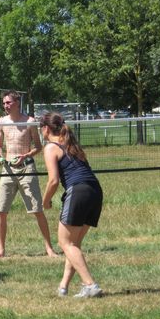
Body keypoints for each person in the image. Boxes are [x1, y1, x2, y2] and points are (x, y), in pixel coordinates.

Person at [40, 112, 103, 298]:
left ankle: (90, 284)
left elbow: (53, 181)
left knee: (65, 243)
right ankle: (63, 287)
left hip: (78, 191)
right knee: (73, 244)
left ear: (45, 129)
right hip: (95, 191)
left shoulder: (51, 147)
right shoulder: (72, 143)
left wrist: (45, 201)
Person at [0, 90, 58, 259]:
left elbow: (38, 146)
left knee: (37, 209)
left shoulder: (30, 122)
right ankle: (1, 250)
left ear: (17, 103)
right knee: (1, 210)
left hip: (27, 168)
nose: (6, 106)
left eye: (9, 103)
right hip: (7, 170)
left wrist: (26, 156)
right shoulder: (1, 122)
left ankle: (49, 248)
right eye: (4, 103)